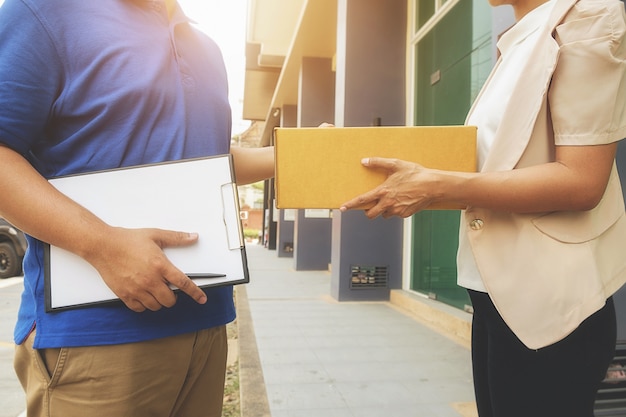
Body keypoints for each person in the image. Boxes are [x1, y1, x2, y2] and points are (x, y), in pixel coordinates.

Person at [341, 0, 626, 416]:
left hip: (550, 305)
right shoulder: (518, 38)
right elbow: (498, 171)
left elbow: (582, 180)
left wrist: (435, 184)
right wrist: (414, 183)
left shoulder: (588, 16)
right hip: (493, 292)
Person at [0, 0, 273, 416]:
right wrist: (101, 245)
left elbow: (208, 158)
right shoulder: (42, 12)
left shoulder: (205, 47)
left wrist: (296, 156)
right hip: (96, 336)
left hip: (206, 322)